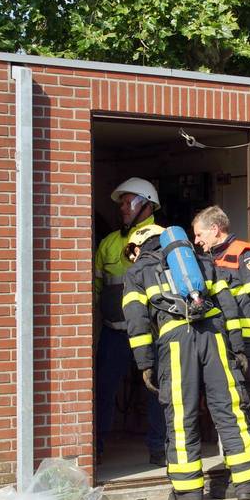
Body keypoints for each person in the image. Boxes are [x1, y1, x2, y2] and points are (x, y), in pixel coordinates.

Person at [120, 225, 250, 500]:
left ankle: (188, 491)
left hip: (176, 342)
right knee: (231, 409)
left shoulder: (137, 273)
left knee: (181, 415)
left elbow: (137, 322)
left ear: (140, 246)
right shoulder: (202, 261)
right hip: (215, 337)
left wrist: (145, 363)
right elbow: (229, 305)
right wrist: (237, 346)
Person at [94, 177, 166, 466]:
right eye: (122, 203)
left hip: (151, 332)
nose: (123, 207)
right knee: (102, 389)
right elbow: (95, 287)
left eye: (128, 201)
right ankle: (95, 447)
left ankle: (160, 449)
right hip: (114, 333)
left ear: (147, 204)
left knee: (157, 391)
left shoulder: (160, 237)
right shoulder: (109, 243)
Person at [191, 205, 250, 398]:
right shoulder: (208, 260)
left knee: (242, 402)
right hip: (220, 341)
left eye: (199, 235)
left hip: (244, 344)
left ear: (214, 229)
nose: (196, 241)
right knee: (222, 403)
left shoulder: (243, 254)